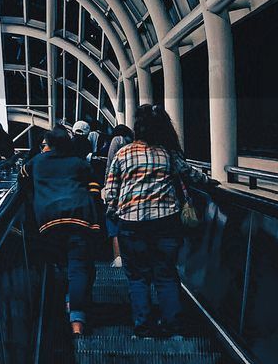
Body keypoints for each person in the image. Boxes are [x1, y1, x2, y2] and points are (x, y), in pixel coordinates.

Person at [102, 104, 207, 340]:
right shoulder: (168, 153)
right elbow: (192, 175)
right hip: (166, 224)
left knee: (137, 277)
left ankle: (144, 328)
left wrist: (112, 211)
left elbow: (111, 191)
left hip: (131, 224)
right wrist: (212, 183)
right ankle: (175, 329)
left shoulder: (123, 154)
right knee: (166, 274)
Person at [29, 126, 102, 336]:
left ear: (49, 145)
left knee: (57, 266)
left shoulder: (37, 162)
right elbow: (95, 189)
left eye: (44, 145)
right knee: (79, 267)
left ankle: (57, 313)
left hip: (48, 221)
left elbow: (22, 178)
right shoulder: (79, 163)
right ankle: (77, 320)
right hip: (80, 218)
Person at [102, 124, 134, 268]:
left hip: (119, 188)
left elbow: (110, 167)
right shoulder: (135, 146)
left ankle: (118, 257)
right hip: (132, 191)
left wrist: (108, 193)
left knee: (113, 222)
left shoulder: (117, 141)